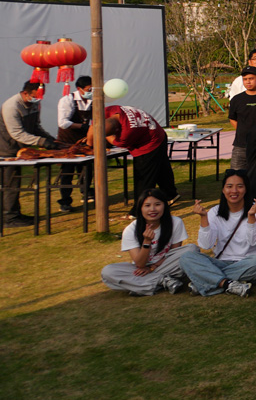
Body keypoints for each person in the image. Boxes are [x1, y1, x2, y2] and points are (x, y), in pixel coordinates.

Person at [178, 170, 256, 296]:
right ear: (223, 190)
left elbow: (254, 241)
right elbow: (206, 245)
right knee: (186, 257)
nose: (234, 191)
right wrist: (204, 218)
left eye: (240, 186)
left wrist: (251, 216)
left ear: (246, 189)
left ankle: (205, 281)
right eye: (229, 186)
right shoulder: (214, 212)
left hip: (248, 262)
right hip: (221, 262)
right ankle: (227, 284)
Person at [100, 188, 195, 295]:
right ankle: (163, 281)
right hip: (141, 269)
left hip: (166, 265)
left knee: (191, 249)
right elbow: (140, 264)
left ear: (164, 205)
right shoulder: (131, 230)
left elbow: (174, 253)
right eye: (147, 205)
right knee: (108, 272)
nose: (152, 209)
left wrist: (152, 268)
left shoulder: (176, 222)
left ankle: (144, 286)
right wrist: (146, 242)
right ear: (140, 208)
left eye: (157, 204)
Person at [1, 82, 58, 226]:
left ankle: (15, 214)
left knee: (15, 182)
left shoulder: (35, 104)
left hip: (20, 148)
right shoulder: (11, 106)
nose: (38, 100)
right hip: (6, 148)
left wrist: (50, 139)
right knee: (10, 183)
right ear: (25, 93)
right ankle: (9, 218)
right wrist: (42, 142)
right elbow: (17, 133)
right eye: (35, 96)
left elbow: (36, 126)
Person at [104, 104, 177, 203]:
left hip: (150, 143)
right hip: (158, 133)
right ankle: (170, 194)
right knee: (161, 169)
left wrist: (102, 135)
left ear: (117, 130)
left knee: (143, 177)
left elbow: (116, 142)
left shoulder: (127, 132)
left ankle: (141, 206)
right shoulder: (113, 109)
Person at [55, 76, 93, 213]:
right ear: (79, 89)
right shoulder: (67, 100)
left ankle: (86, 192)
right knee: (67, 172)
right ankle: (65, 201)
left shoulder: (93, 100)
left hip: (84, 140)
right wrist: (82, 126)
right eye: (89, 89)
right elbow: (63, 122)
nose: (91, 92)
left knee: (87, 169)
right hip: (67, 141)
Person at [227, 66, 256, 171]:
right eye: (245, 79)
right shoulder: (236, 99)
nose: (248, 82)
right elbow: (232, 118)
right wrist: (242, 130)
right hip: (241, 145)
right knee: (236, 174)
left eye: (251, 78)